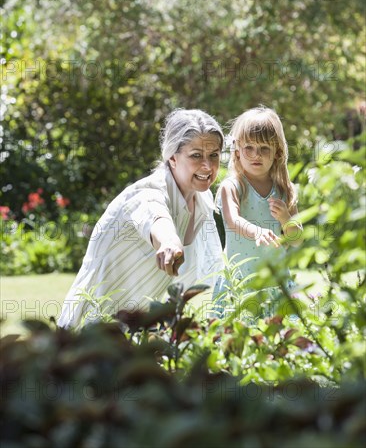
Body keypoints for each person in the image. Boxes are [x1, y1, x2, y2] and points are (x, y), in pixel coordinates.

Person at [58, 109, 224, 329]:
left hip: (138, 327)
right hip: (94, 327)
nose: (207, 166)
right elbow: (154, 215)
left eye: (214, 155)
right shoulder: (148, 191)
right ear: (172, 158)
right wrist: (169, 243)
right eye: (196, 155)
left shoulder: (202, 197)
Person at [214, 106, 302, 315]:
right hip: (240, 279)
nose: (256, 155)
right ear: (237, 150)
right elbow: (233, 220)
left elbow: (297, 239)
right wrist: (257, 232)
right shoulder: (233, 186)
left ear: (277, 153)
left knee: (278, 340)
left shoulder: (283, 190)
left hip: (275, 281)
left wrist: (285, 219)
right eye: (249, 147)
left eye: (264, 148)